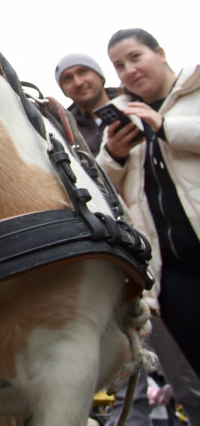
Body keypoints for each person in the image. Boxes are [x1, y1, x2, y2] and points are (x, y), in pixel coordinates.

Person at [97, 28, 200, 377]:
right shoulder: (122, 114)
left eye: (135, 57)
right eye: (119, 66)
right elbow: (101, 188)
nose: (128, 71)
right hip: (171, 273)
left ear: (160, 52)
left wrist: (165, 126)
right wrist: (114, 155)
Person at [55, 53, 122, 154]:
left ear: (101, 77)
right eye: (68, 78)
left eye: (82, 72)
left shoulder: (133, 105)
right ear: (64, 91)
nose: (78, 83)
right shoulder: (64, 134)